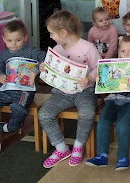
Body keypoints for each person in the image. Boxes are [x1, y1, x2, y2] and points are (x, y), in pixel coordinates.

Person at [38, 11, 100, 168]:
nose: (50, 36)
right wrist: (44, 68)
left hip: (85, 91)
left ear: (63, 32)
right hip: (62, 92)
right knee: (44, 114)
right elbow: (52, 69)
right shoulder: (57, 49)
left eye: (52, 33)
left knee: (87, 113)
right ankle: (61, 149)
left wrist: (88, 78)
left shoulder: (88, 47)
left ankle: (78, 147)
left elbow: (100, 68)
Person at [86, 35, 130, 170]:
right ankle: (102, 155)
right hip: (113, 100)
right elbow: (104, 86)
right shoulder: (113, 66)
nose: (126, 54)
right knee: (103, 122)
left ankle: (123, 157)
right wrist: (102, 80)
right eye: (123, 51)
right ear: (118, 51)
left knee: (122, 125)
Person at [0, 21, 46, 146]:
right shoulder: (4, 54)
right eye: (9, 40)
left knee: (18, 108)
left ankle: (11, 127)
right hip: (6, 89)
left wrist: (35, 71)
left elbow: (45, 58)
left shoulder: (31, 51)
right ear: (3, 39)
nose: (13, 44)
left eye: (18, 40)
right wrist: (1, 75)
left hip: (25, 90)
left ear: (25, 37)